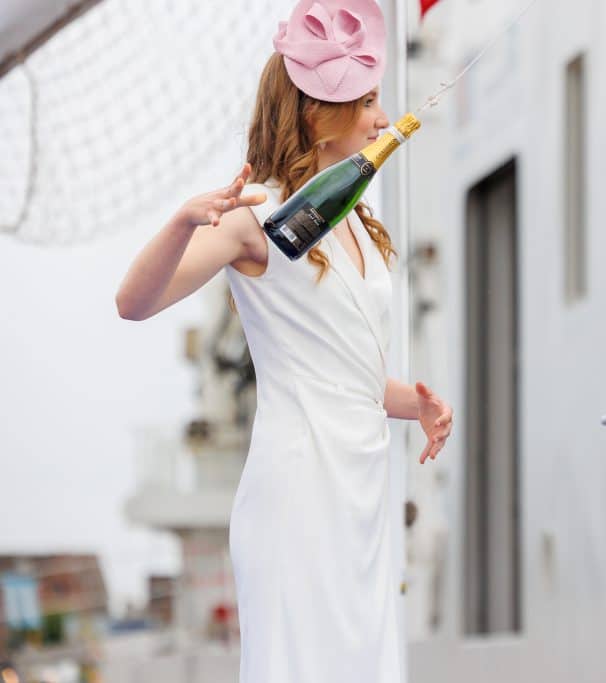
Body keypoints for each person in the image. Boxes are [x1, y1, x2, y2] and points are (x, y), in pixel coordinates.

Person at [114, 0, 453, 679]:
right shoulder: (261, 215)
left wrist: (414, 404)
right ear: (315, 113)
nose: (381, 119)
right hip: (298, 488)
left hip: (362, 489)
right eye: (364, 103)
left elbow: (344, 373)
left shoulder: (361, 223)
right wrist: (184, 221)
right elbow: (134, 301)